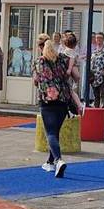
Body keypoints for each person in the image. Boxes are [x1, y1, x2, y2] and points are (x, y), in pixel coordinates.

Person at [34, 37, 78, 177]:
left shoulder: (40, 61)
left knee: (51, 134)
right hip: (64, 101)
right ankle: (50, 162)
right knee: (55, 132)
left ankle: (59, 160)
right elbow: (74, 73)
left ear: (41, 48)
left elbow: (37, 81)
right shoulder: (62, 60)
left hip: (48, 102)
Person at [89, 32, 104, 109]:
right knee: (96, 95)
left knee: (103, 94)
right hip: (94, 76)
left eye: (100, 38)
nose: (98, 40)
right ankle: (96, 110)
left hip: (102, 76)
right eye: (97, 38)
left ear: (103, 39)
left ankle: (103, 110)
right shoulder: (94, 51)